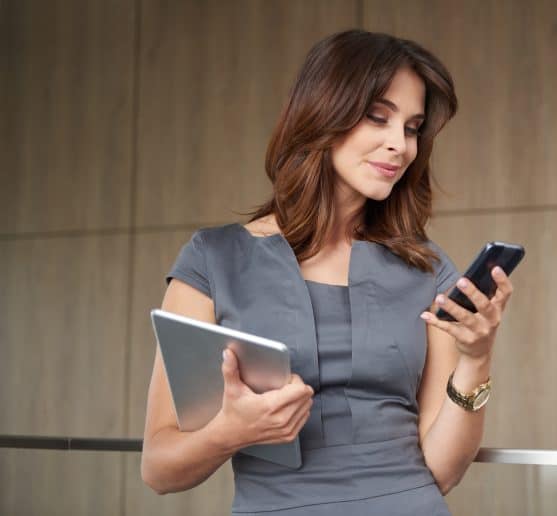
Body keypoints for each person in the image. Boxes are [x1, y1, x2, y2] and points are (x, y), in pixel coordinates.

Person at [141, 30, 514, 515]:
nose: (399, 145)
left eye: (412, 128)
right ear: (323, 113)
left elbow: (442, 471)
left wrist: (476, 359)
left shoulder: (427, 268)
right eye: (378, 117)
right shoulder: (213, 260)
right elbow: (159, 469)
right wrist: (229, 432)